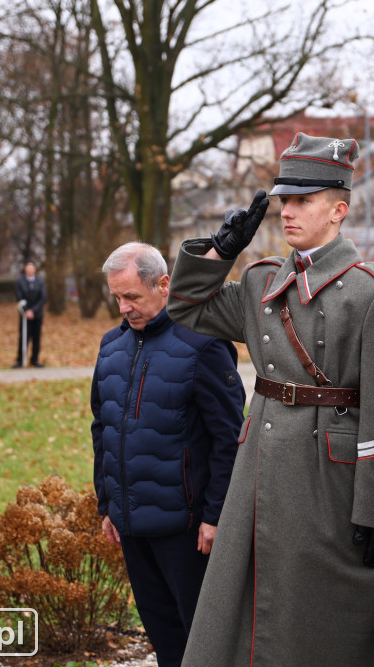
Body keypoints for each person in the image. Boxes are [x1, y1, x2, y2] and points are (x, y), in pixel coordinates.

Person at [166, 132, 374, 665]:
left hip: (328, 478)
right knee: (250, 606)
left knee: (322, 616)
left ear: (338, 209)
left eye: (302, 201)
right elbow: (187, 308)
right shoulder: (263, 277)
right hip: (259, 470)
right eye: (284, 200)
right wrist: (221, 251)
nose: (287, 211)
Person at [91, 241, 245, 667]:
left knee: (203, 645)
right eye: (117, 297)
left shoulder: (203, 347)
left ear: (163, 284)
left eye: (132, 297)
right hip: (131, 526)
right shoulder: (110, 347)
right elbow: (101, 427)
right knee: (164, 640)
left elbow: (229, 439)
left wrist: (215, 516)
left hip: (189, 532)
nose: (123, 307)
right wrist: (107, 504)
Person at [13, 260, 46, 368]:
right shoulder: (20, 282)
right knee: (24, 337)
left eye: (32, 267)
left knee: (37, 337)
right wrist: (26, 310)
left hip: (37, 315)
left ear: (35, 269)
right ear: (25, 269)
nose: (30, 269)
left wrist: (34, 310)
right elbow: (19, 297)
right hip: (24, 315)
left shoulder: (40, 282)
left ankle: (35, 359)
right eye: (28, 267)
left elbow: (43, 297)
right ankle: (20, 359)